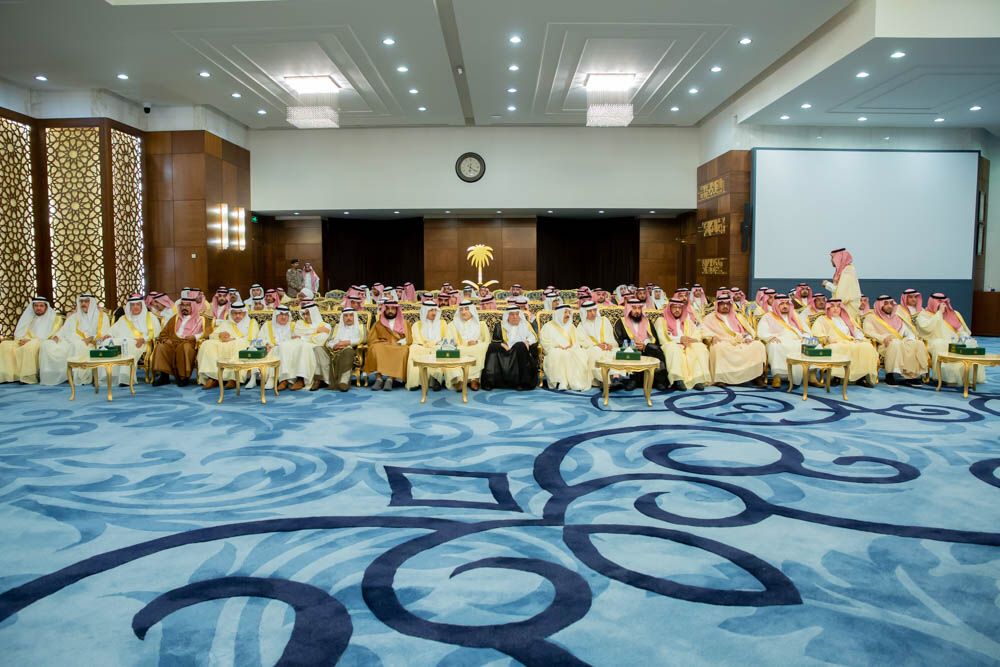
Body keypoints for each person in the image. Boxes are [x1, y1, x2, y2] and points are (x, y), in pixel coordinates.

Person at [39, 294, 111, 386]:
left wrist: (90, 338)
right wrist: (57, 336)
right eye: (81, 301)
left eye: (86, 301)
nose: (83, 304)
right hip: (70, 341)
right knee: (46, 344)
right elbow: (64, 330)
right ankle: (53, 376)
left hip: (93, 343)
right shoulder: (75, 316)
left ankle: (80, 377)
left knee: (78, 345)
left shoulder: (102, 316)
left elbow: (104, 334)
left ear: (92, 303)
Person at [917, 293, 984, 385]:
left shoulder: (954, 314)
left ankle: (968, 376)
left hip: (954, 340)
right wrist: (939, 313)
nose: (942, 305)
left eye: (944, 302)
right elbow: (926, 328)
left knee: (969, 342)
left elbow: (961, 330)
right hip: (934, 341)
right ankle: (948, 378)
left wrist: (964, 336)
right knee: (940, 344)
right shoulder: (924, 315)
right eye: (939, 302)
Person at [810, 299, 879, 387]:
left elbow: (857, 331)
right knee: (836, 348)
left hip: (851, 342)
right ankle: (836, 377)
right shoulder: (822, 319)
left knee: (866, 347)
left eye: (838, 306)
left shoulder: (847, 319)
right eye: (832, 306)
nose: (835, 309)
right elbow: (816, 334)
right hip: (833, 343)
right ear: (828, 308)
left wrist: (859, 339)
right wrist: (827, 338)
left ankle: (861, 377)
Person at [701, 296, 767, 386]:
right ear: (717, 305)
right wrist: (712, 337)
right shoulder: (709, 318)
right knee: (718, 347)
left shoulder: (738, 316)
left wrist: (748, 337)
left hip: (740, 341)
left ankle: (756, 376)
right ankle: (721, 378)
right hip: (722, 341)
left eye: (727, 304)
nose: (725, 306)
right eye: (722, 304)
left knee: (758, 345)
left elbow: (748, 330)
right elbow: (703, 330)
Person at [863, 295, 929, 385]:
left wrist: (910, 338)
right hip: (884, 345)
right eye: (886, 304)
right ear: (880, 305)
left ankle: (911, 376)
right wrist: (883, 338)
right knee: (895, 344)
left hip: (901, 342)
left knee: (917, 343)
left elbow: (906, 331)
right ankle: (890, 375)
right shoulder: (871, 317)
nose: (889, 306)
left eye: (891, 303)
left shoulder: (897, 317)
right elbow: (868, 331)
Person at [196, 301, 258, 389]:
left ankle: (234, 378)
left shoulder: (252, 323)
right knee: (207, 344)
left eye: (240, 313)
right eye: (234, 313)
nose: (237, 316)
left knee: (240, 344)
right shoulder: (226, 323)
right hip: (225, 344)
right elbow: (212, 335)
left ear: (244, 313)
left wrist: (233, 339)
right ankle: (213, 377)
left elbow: (252, 338)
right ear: (231, 313)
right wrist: (220, 335)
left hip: (241, 344)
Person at [151, 296, 211, 386]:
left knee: (184, 347)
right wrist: (166, 339)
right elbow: (164, 332)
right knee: (161, 347)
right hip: (173, 341)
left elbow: (208, 333)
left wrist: (195, 337)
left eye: (187, 305)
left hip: (189, 343)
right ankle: (164, 376)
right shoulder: (175, 318)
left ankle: (183, 377)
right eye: (182, 305)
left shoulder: (201, 319)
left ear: (193, 306)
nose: (184, 307)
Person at [0, 296, 62, 384]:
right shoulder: (29, 317)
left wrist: (30, 341)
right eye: (36, 306)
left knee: (30, 346)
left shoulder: (55, 319)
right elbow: (20, 333)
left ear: (46, 307)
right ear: (33, 307)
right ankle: (8, 375)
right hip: (26, 340)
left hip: (43, 342)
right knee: (5, 345)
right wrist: (21, 340)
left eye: (41, 306)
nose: (38, 308)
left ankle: (27, 376)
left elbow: (53, 335)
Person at [755, 293, 812, 387]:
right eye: (782, 304)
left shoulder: (795, 316)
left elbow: (806, 330)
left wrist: (804, 336)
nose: (785, 306)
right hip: (778, 340)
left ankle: (811, 376)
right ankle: (777, 376)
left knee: (811, 345)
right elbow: (761, 331)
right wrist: (770, 337)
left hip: (796, 339)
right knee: (775, 346)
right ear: (776, 305)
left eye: (787, 304)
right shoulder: (768, 316)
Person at [653, 298, 710, 390]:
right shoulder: (661, 320)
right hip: (670, 344)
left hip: (686, 344)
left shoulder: (686, 320)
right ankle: (678, 379)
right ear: (669, 308)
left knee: (699, 347)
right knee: (673, 348)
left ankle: (696, 379)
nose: (677, 310)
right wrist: (679, 339)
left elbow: (696, 332)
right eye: (674, 307)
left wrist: (692, 339)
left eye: (679, 308)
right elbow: (661, 337)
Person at [613, 298, 667, 391]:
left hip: (646, 347)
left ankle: (659, 381)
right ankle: (633, 380)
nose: (637, 311)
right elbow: (619, 339)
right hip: (630, 348)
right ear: (629, 309)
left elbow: (654, 338)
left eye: (639, 308)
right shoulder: (621, 322)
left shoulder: (647, 321)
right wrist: (633, 345)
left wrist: (645, 345)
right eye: (634, 308)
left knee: (656, 350)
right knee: (629, 352)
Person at [109, 294, 161, 386]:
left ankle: (126, 378)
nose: (135, 307)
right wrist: (107, 335)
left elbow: (156, 332)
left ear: (142, 306)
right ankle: (111, 377)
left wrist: (144, 339)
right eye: (133, 305)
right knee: (110, 343)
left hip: (142, 343)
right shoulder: (124, 318)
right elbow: (113, 330)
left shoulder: (150, 316)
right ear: (130, 307)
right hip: (125, 341)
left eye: (138, 304)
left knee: (128, 346)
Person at [482, 306, 538, 390]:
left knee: (520, 345)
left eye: (517, 314)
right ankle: (490, 382)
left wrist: (527, 342)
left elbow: (533, 338)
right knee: (492, 347)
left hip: (520, 352)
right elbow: (495, 341)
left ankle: (522, 383)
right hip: (505, 351)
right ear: (507, 316)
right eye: (512, 314)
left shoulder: (525, 324)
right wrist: (503, 345)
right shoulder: (500, 325)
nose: (515, 317)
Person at [313, 307, 366, 391]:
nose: (348, 318)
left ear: (354, 317)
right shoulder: (337, 327)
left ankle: (343, 381)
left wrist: (347, 342)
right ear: (342, 317)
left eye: (351, 315)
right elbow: (328, 341)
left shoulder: (360, 327)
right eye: (346, 316)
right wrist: (334, 345)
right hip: (334, 351)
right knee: (318, 349)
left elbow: (364, 339)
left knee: (348, 351)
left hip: (350, 350)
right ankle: (325, 380)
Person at [540, 304, 591, 391]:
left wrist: (572, 346)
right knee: (560, 354)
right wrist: (557, 346)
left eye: (569, 312)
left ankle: (575, 382)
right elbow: (544, 342)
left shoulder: (571, 327)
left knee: (580, 353)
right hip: (555, 350)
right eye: (565, 312)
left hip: (570, 350)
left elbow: (577, 342)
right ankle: (562, 382)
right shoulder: (548, 326)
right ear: (559, 314)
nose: (568, 315)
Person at [282, 301, 330, 390]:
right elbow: (297, 333)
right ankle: (285, 379)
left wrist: (303, 337)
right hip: (299, 343)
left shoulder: (325, 325)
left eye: (308, 314)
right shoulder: (300, 323)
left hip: (313, 347)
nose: (305, 316)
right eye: (304, 314)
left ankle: (301, 379)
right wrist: (316, 331)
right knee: (285, 345)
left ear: (314, 313)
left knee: (303, 347)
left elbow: (319, 340)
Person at [576, 300, 623, 388]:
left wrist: (610, 345)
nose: (593, 313)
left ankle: (615, 378)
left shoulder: (604, 321)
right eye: (589, 311)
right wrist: (596, 345)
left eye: (594, 310)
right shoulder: (581, 326)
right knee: (597, 352)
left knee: (616, 352)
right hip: (592, 349)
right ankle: (604, 381)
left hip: (607, 347)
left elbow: (611, 337)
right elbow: (581, 341)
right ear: (584, 312)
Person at [365, 300, 410, 391]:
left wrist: (400, 342)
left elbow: (409, 338)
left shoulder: (404, 323)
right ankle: (379, 379)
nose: (390, 311)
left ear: (396, 310)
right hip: (382, 344)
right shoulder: (379, 323)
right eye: (388, 309)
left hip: (398, 345)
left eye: (393, 309)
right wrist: (382, 341)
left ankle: (390, 379)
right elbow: (371, 339)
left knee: (403, 350)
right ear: (384, 310)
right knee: (375, 348)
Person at [446, 300, 490, 391]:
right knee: (448, 351)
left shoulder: (481, 325)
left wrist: (477, 342)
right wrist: (456, 343)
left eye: (466, 309)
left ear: (472, 310)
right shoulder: (452, 325)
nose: (463, 312)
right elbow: (448, 341)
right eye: (461, 310)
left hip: (475, 347)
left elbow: (487, 341)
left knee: (481, 348)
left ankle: (474, 379)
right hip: (459, 348)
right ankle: (458, 380)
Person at [406, 301, 448, 390]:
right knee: (413, 348)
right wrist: (425, 344)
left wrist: (435, 343)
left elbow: (446, 338)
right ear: (425, 311)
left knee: (442, 349)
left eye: (435, 310)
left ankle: (436, 379)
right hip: (423, 347)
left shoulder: (442, 323)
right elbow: (417, 339)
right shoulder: (417, 325)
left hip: (437, 346)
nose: (434, 313)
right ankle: (416, 382)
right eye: (431, 310)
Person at [823, 248, 861, 316]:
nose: (831, 260)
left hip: (849, 311)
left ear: (839, 258)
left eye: (832, 257)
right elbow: (841, 290)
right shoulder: (843, 271)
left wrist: (827, 285)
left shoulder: (847, 271)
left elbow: (842, 297)